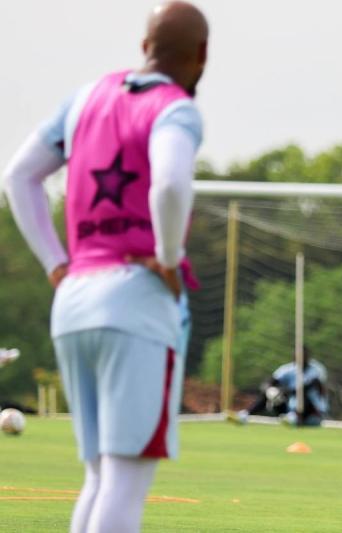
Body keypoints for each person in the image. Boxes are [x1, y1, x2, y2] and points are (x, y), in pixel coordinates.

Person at [1, 3, 208, 532]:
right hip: (137, 302)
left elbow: (19, 176)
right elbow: (170, 184)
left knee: (98, 476)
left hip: (73, 301)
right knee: (124, 480)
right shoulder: (175, 108)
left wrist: (55, 263)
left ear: (144, 47)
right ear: (202, 56)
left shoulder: (86, 97)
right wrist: (167, 258)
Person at [234, 347, 329, 427]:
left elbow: (307, 388)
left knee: (302, 394)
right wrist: (269, 390)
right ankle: (244, 415)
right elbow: (270, 382)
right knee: (271, 392)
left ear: (307, 356)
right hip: (289, 407)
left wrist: (284, 391)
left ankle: (294, 417)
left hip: (311, 412)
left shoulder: (317, 370)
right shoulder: (288, 369)